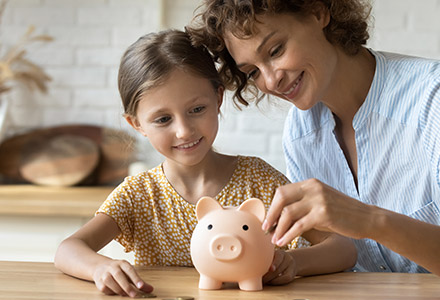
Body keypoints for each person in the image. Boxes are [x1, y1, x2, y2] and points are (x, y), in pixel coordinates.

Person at [185, 0, 440, 295]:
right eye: (253, 71)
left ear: (318, 12)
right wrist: (289, 262)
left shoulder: (436, 94)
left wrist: (368, 219)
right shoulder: (301, 130)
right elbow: (347, 252)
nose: (271, 80)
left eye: (275, 51)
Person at [54, 29, 357, 298]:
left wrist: (293, 262)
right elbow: (68, 249)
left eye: (197, 109)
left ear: (218, 98)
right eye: (163, 119)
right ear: (137, 125)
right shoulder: (139, 195)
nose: (184, 130)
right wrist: (101, 268)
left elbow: (343, 248)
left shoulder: (259, 181)